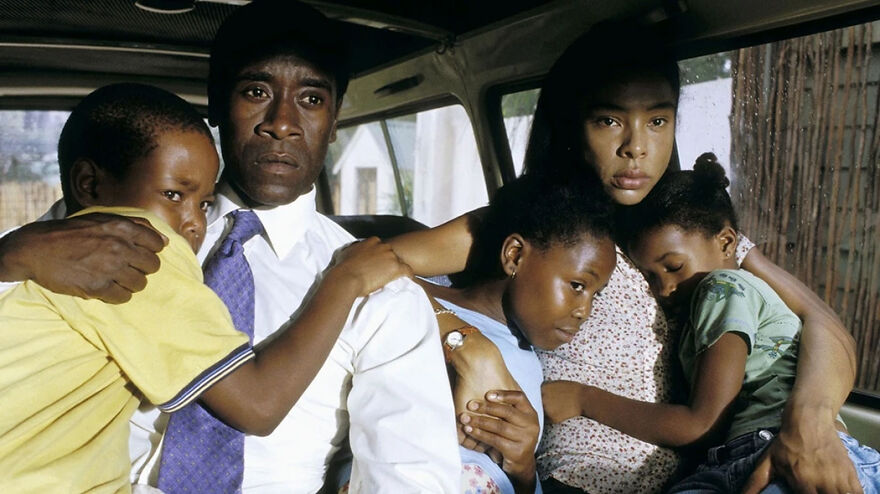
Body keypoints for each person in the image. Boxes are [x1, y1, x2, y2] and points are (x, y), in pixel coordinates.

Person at [0, 1, 461, 492]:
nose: (281, 122)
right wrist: (11, 254)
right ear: (217, 104)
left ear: (334, 119)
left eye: (311, 99)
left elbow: (411, 478)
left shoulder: (382, 296)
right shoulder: (109, 234)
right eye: (257, 92)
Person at [387, 22, 859, 494]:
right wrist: (468, 345)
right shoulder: (538, 223)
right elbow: (371, 264)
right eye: (609, 120)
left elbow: (823, 324)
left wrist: (811, 421)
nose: (636, 147)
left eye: (658, 121)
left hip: (694, 477)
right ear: (573, 124)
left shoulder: (688, 232)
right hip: (573, 478)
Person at [543, 153, 880, 493]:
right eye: (650, 277)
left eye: (674, 267)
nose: (664, 289)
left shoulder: (720, 288)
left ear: (727, 242)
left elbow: (701, 423)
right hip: (732, 460)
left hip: (779, 449)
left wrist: (582, 399)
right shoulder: (706, 305)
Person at [423, 173, 616, 494]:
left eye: (596, 294)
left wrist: (524, 468)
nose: (586, 311)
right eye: (578, 285)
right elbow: (371, 268)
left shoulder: (530, 361)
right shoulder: (412, 294)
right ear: (514, 255)